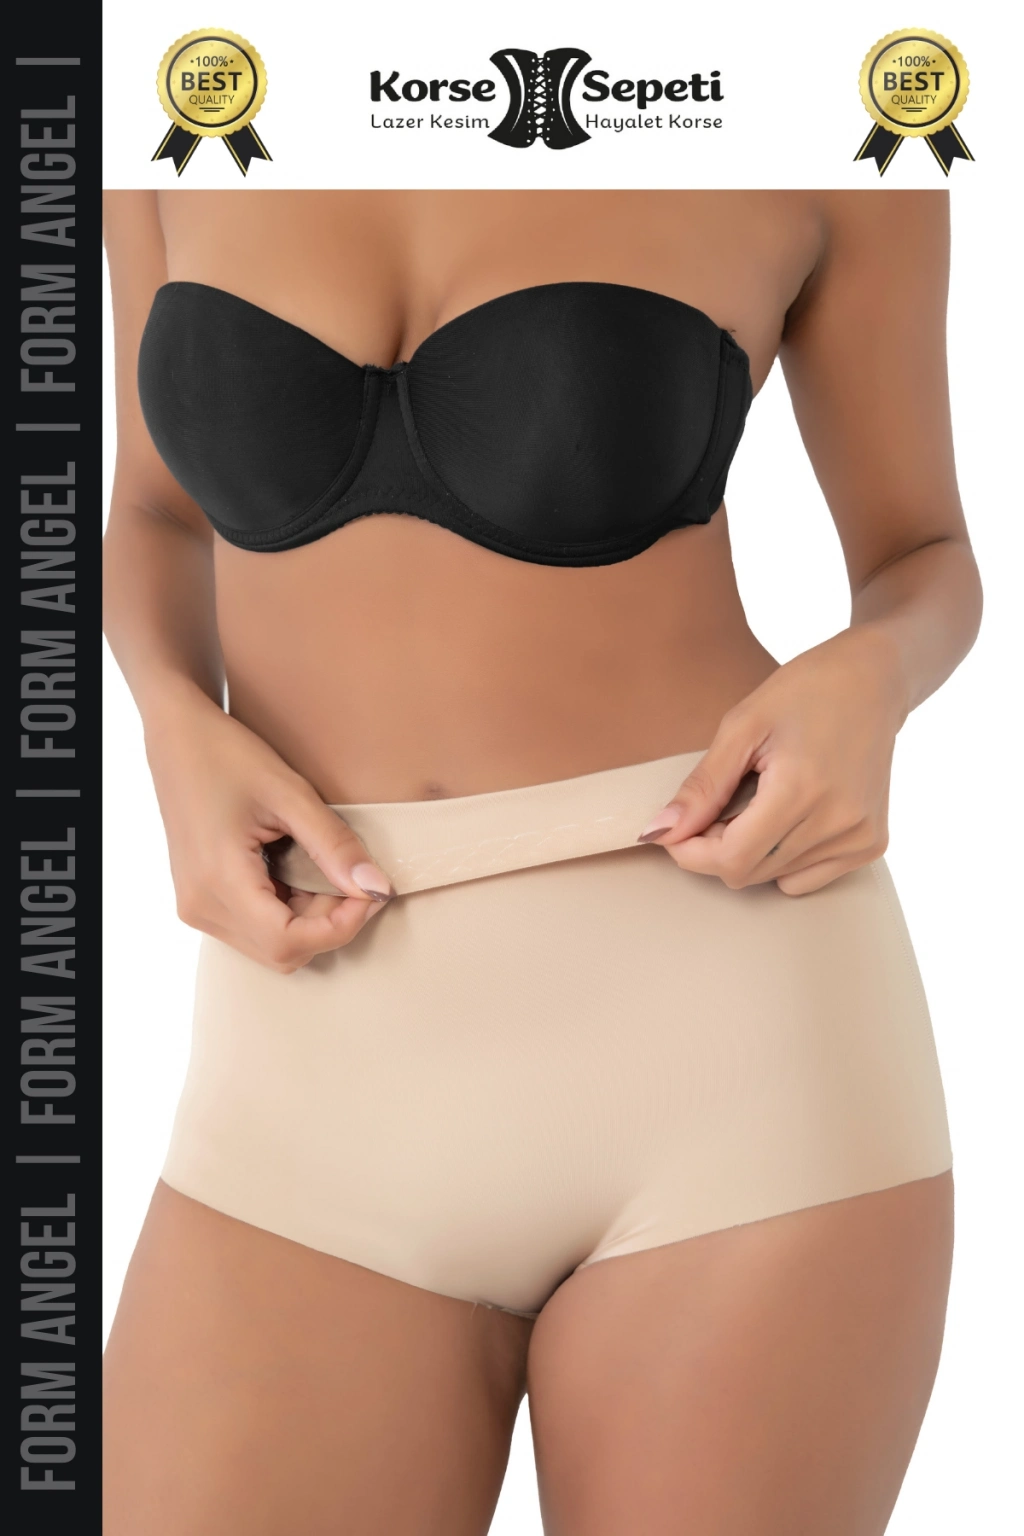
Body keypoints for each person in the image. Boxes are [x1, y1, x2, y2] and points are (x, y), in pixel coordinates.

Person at [102, 189, 979, 1535]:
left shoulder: (814, 111)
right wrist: (170, 720)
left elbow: (926, 555)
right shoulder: (178, 111)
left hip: (732, 1033)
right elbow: (156, 513)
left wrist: (875, 675)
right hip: (303, 1061)